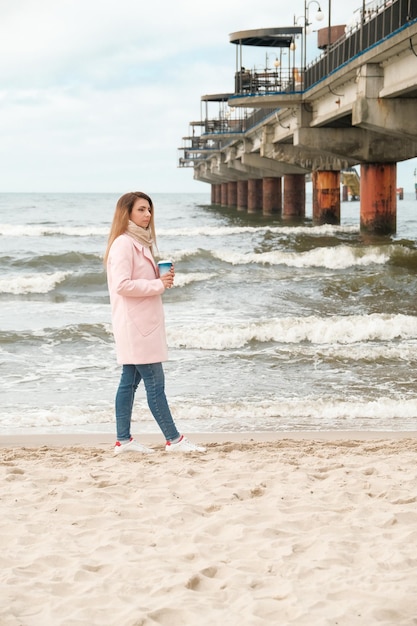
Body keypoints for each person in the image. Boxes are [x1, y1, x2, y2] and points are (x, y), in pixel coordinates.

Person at [104, 191, 206, 455]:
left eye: (149, 210)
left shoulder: (140, 242)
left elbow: (138, 281)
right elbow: (122, 285)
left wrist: (162, 279)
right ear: (126, 213)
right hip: (136, 327)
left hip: (141, 324)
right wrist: (157, 283)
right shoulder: (123, 244)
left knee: (129, 382)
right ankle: (174, 440)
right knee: (155, 384)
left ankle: (123, 441)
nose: (147, 215)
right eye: (141, 210)